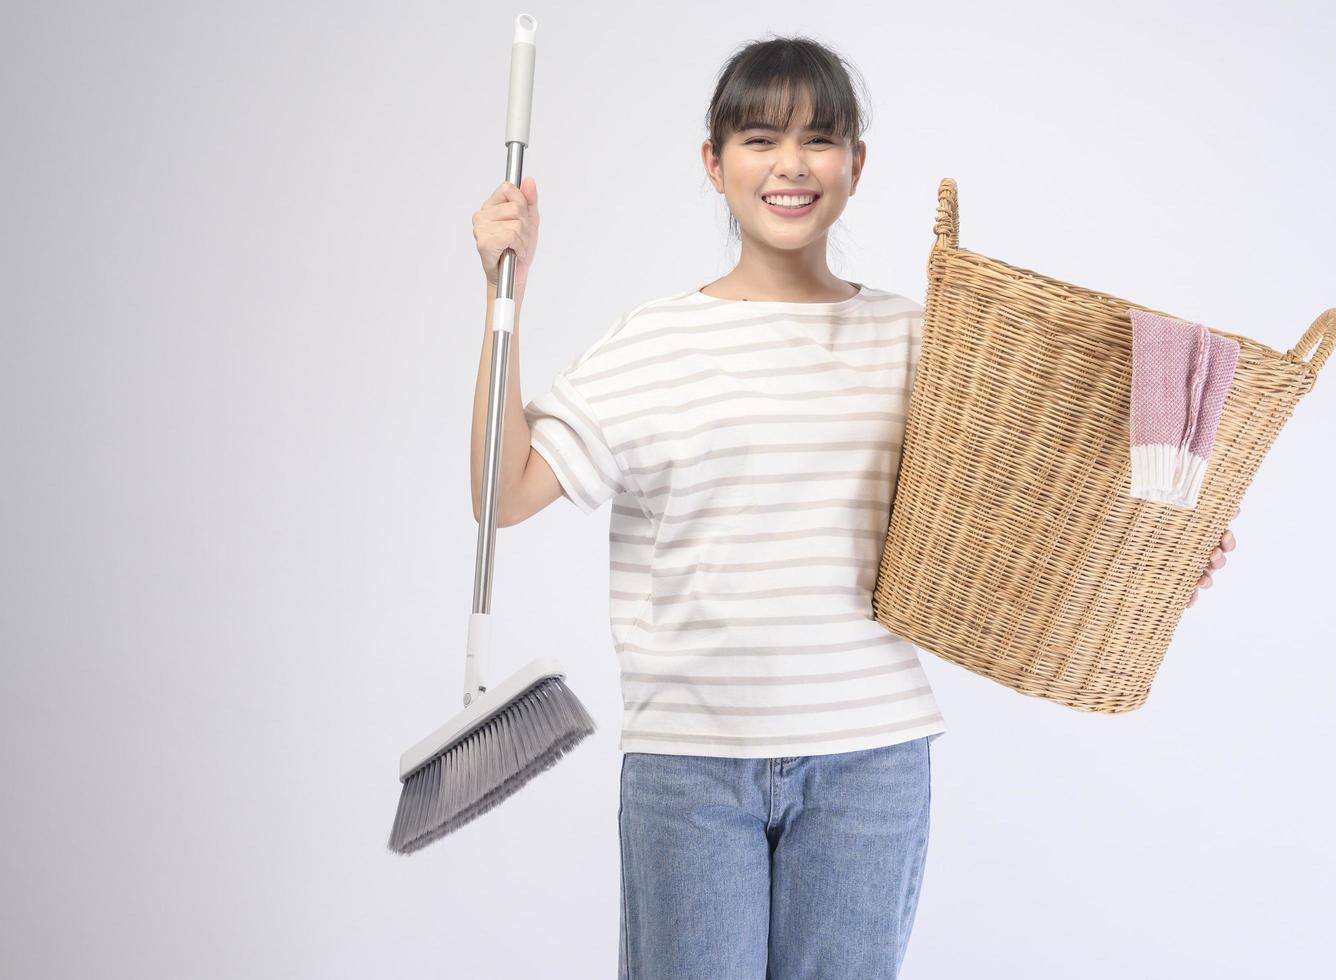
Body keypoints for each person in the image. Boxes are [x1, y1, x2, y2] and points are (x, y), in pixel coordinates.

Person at [468, 33, 1235, 980]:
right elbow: (502, 494)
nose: (790, 164)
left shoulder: (920, 341)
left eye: (819, 139)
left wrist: (1157, 551)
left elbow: (1027, 504)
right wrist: (503, 295)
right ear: (713, 163)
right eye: (758, 138)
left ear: (856, 165)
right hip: (691, 764)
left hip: (870, 763)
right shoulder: (653, 344)